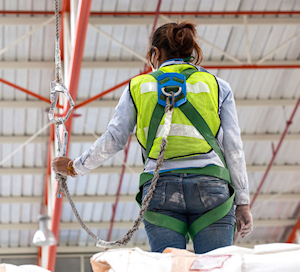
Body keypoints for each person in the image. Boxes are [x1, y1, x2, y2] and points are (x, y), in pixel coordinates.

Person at [52, 21, 253, 254]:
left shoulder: (138, 86)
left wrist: (74, 167)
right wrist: (243, 201)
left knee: (167, 267)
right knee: (214, 267)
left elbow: (114, 139)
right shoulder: (218, 86)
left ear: (155, 54)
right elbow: (233, 147)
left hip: (160, 190)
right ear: (190, 53)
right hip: (211, 187)